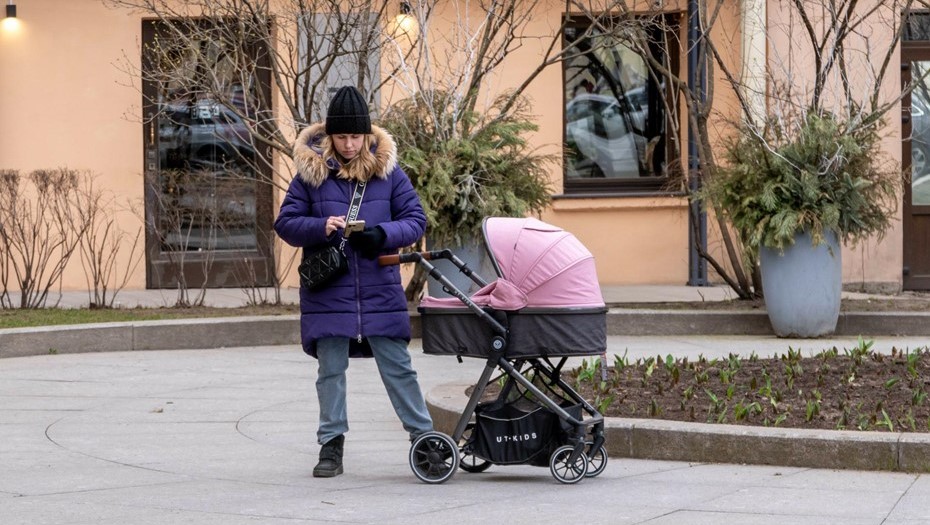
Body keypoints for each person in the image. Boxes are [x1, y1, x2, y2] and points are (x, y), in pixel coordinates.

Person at [273, 86, 433, 478]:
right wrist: (320, 226)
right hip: (328, 290)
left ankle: (425, 439)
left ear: (366, 134)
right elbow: (285, 224)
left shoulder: (389, 175)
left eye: (354, 136)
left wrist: (383, 234)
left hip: (379, 289)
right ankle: (331, 445)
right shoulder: (310, 176)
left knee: (399, 366)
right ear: (329, 136)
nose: (348, 145)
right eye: (341, 137)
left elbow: (416, 220)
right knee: (330, 370)